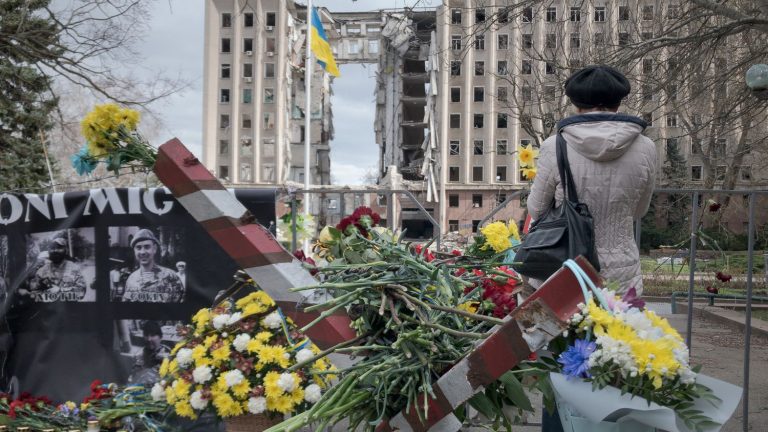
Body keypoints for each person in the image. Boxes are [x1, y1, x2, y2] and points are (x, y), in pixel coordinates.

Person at [527, 65, 657, 295]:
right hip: (622, 270)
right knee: (617, 329)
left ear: (577, 104)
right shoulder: (646, 147)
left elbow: (537, 210)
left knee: (563, 329)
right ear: (618, 102)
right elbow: (640, 210)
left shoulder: (555, 145)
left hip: (565, 265)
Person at [122, 229, 184, 302]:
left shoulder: (171, 277)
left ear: (154, 249)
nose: (142, 252)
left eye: (147, 247)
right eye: (138, 248)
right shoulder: (131, 279)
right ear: (134, 251)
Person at [27, 237, 87, 302]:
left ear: (66, 250)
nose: (55, 250)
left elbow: (81, 291)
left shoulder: (74, 268)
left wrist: (60, 290)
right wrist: (44, 296)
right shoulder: (42, 270)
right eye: (52, 248)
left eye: (59, 247)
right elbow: (33, 292)